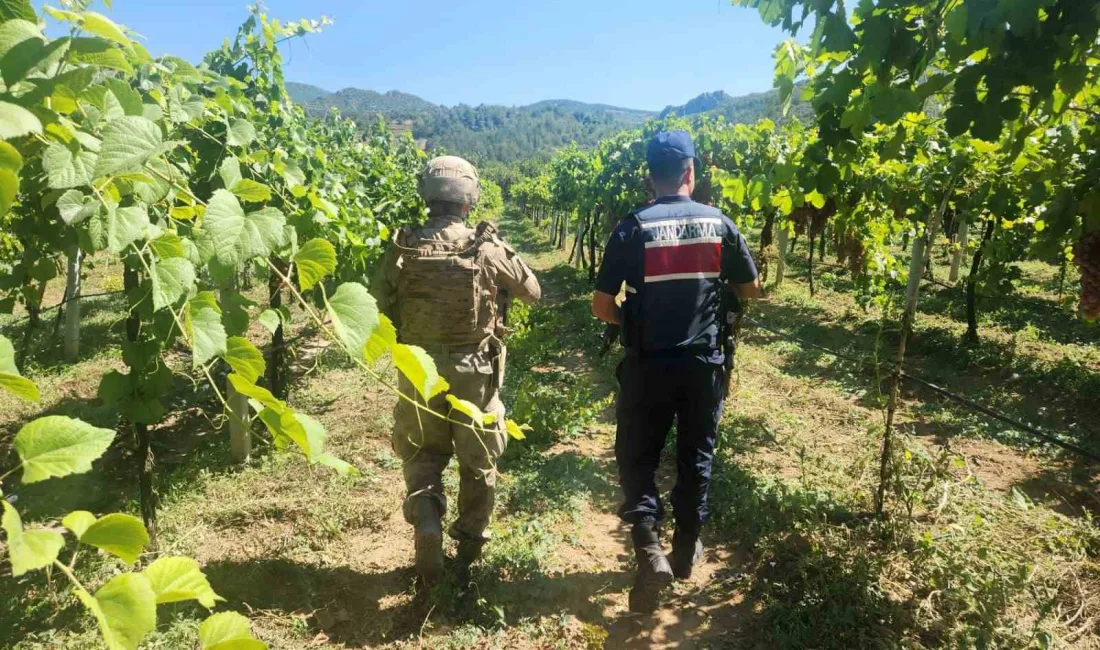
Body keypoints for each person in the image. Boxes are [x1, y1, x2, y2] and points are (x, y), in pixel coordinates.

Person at [591, 131, 761, 613]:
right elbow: (752, 291)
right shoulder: (719, 223)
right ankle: (685, 551)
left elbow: (602, 304)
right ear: (692, 173)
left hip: (647, 366)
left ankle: (648, 548)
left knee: (637, 455)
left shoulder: (632, 227)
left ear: (649, 176)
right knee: (696, 455)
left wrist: (631, 318)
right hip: (703, 366)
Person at [373, 155, 542, 584]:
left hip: (418, 368)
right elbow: (533, 292)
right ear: (469, 197)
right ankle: (469, 543)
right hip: (474, 368)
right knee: (477, 458)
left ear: (427, 195)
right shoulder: (484, 247)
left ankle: (427, 518)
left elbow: (377, 300)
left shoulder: (404, 245)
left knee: (422, 453)